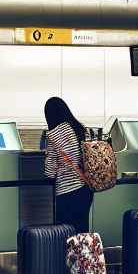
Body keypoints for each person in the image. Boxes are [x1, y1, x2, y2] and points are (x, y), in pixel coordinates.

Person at [43, 96, 92, 234]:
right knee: (82, 233)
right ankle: (84, 256)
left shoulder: (54, 135)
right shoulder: (80, 128)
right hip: (85, 189)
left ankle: (68, 256)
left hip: (67, 192)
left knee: (67, 234)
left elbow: (50, 171)